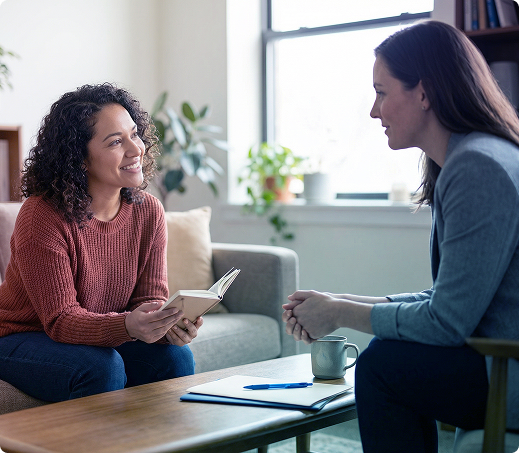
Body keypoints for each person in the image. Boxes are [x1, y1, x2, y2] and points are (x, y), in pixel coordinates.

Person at [282, 20, 519, 453]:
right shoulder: (475, 157)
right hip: (496, 360)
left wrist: (339, 314)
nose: (374, 112)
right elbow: (448, 300)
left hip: (509, 371)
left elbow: (446, 323)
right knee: (388, 362)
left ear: (424, 93)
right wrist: (338, 302)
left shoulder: (477, 167)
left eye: (381, 92)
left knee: (383, 366)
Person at [0, 83, 202, 402]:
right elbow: (61, 320)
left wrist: (164, 323)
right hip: (19, 336)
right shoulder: (42, 215)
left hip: (92, 332)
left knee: (176, 357)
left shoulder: (148, 211)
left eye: (134, 134)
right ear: (79, 158)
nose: (136, 149)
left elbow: (148, 297)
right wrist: (130, 326)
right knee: (100, 368)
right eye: (115, 142)